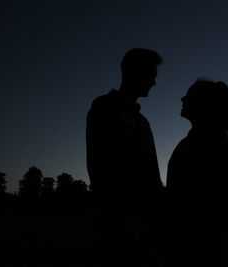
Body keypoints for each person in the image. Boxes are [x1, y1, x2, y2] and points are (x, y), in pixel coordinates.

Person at [86, 48, 164, 266]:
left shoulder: (142, 121)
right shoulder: (104, 107)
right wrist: (118, 216)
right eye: (152, 75)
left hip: (144, 219)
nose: (154, 83)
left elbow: (152, 170)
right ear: (137, 72)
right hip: (118, 219)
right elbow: (98, 165)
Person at [166, 79, 228, 267]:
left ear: (202, 103)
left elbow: (210, 200)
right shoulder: (190, 141)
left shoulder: (216, 144)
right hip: (183, 237)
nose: (182, 99)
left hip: (197, 241)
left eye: (188, 95)